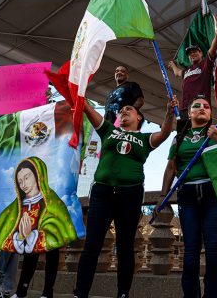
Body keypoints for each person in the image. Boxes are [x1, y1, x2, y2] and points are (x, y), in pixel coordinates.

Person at [74, 96, 176, 298]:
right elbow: (86, 107)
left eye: (129, 109)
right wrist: (80, 87)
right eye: (122, 110)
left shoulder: (144, 139)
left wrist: (168, 113)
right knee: (92, 244)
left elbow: (165, 132)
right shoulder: (109, 130)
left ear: (139, 117)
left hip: (130, 194)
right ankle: (81, 292)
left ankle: (123, 293)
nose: (124, 111)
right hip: (102, 192)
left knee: (125, 246)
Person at [157, 96, 217, 298]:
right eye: (197, 106)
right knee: (190, 250)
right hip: (187, 195)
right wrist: (163, 194)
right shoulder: (180, 137)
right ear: (190, 113)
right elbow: (171, 166)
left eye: (206, 106)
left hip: (212, 192)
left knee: (213, 248)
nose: (202, 108)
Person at [0, 157, 76, 254]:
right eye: (19, 182)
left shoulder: (53, 203)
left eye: (26, 178)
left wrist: (31, 235)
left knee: (52, 255)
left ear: (37, 175)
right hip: (24, 251)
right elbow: (4, 234)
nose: (23, 184)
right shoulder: (14, 209)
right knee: (29, 263)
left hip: (50, 250)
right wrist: (19, 237)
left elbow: (58, 231)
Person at [169, 14, 217, 130]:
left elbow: (213, 50)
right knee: (181, 137)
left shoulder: (205, 64)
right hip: (184, 109)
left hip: (200, 107)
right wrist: (173, 65)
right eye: (189, 53)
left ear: (201, 53)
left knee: (200, 136)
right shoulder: (187, 70)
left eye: (195, 52)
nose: (192, 54)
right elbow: (177, 73)